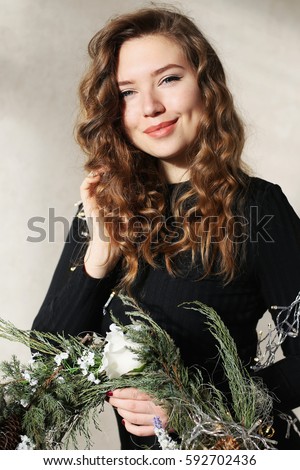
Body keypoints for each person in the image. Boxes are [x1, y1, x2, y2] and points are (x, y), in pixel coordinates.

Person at [31, 6, 300, 450]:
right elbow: (46, 362)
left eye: (169, 79)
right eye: (127, 92)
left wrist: (197, 405)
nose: (151, 107)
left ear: (205, 85)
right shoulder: (105, 208)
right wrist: (99, 253)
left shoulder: (256, 207)